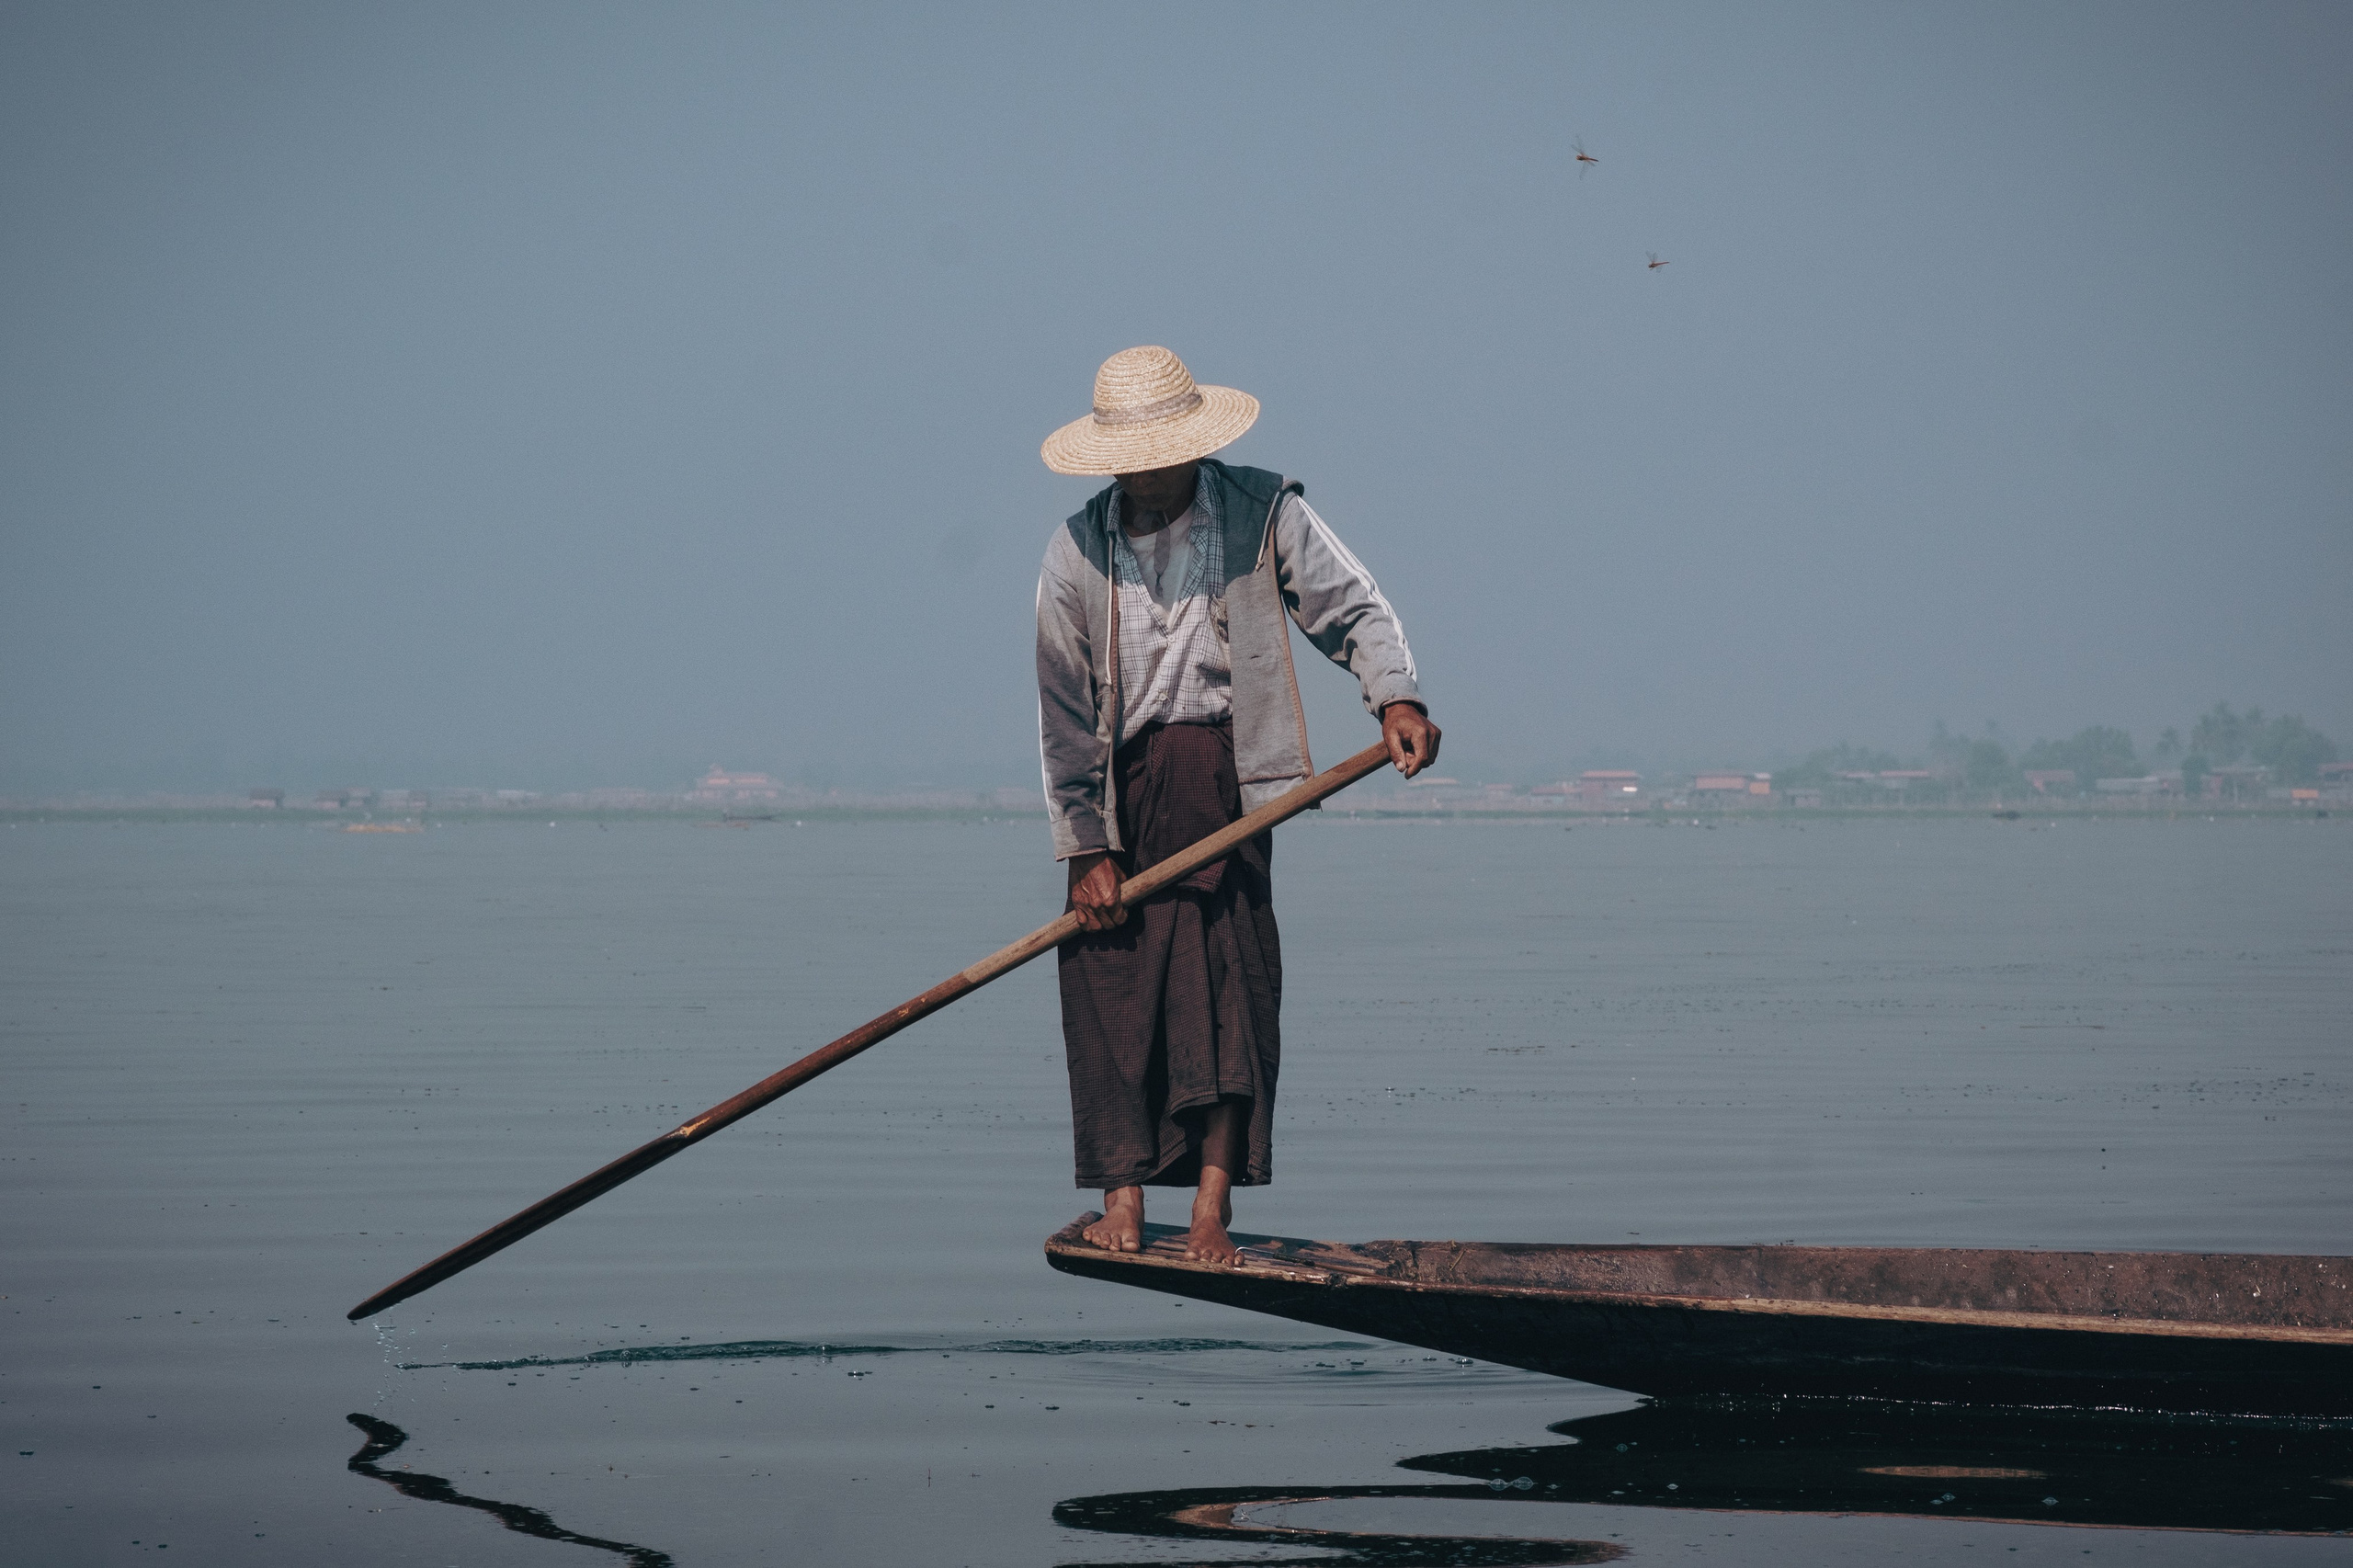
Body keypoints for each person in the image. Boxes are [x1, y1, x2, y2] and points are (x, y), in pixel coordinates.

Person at [1035, 345, 1440, 1265]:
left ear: (1192, 444)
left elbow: (1355, 608)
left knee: (1226, 989)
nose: (1143, 474)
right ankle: (1125, 1203)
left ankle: (1210, 1211)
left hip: (1226, 784)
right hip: (1114, 796)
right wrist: (1086, 845)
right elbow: (1061, 711)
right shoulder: (1073, 550)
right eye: (1126, 460)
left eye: (1160, 454)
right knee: (1111, 991)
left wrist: (1397, 698)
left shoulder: (1263, 513)